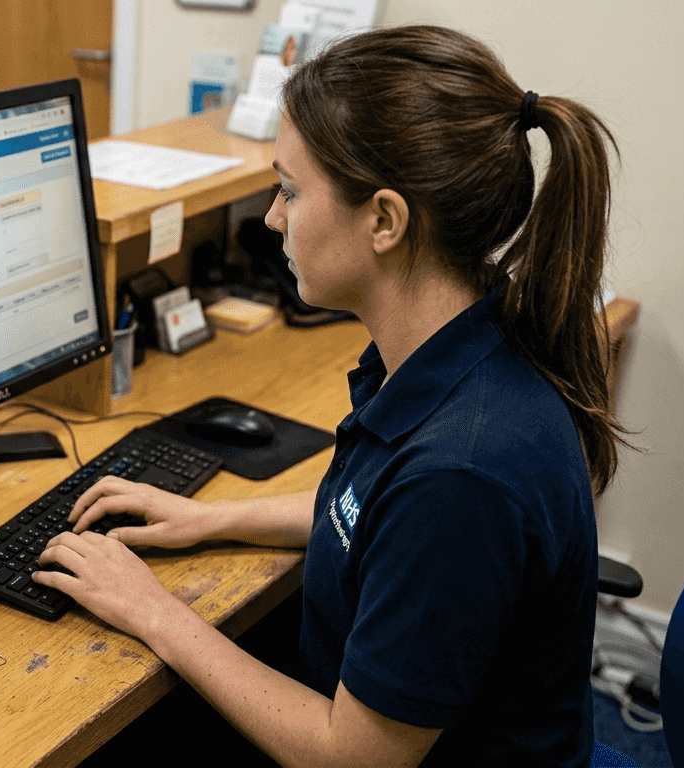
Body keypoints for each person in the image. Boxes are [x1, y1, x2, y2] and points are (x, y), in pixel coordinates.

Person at [32, 24, 629, 768]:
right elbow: (370, 516)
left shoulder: (461, 476)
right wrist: (210, 519)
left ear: (384, 219)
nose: (274, 219)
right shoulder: (456, 339)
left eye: (289, 191)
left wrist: (152, 609)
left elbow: (353, 757)